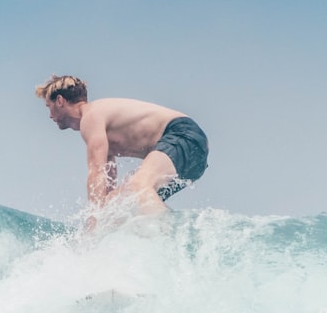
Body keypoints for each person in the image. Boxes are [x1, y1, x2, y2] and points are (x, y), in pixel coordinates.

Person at [35, 74, 209, 214]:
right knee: (120, 202)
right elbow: (105, 183)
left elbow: (96, 172)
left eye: (48, 106)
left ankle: (165, 238)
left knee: (138, 186)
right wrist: (103, 218)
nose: (50, 115)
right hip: (191, 158)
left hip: (183, 134)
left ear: (60, 101)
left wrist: (93, 219)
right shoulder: (101, 131)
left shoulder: (91, 117)